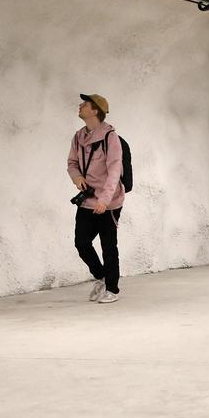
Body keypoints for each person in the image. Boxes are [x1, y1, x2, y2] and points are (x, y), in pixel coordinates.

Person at [67, 92, 125, 304]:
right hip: (87, 199)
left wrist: (105, 200)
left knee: (109, 246)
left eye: (85, 104)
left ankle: (112, 289)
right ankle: (100, 276)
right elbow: (72, 163)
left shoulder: (111, 138)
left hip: (108, 202)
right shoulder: (78, 137)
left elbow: (114, 171)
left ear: (95, 111)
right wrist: (78, 177)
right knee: (81, 243)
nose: (80, 106)